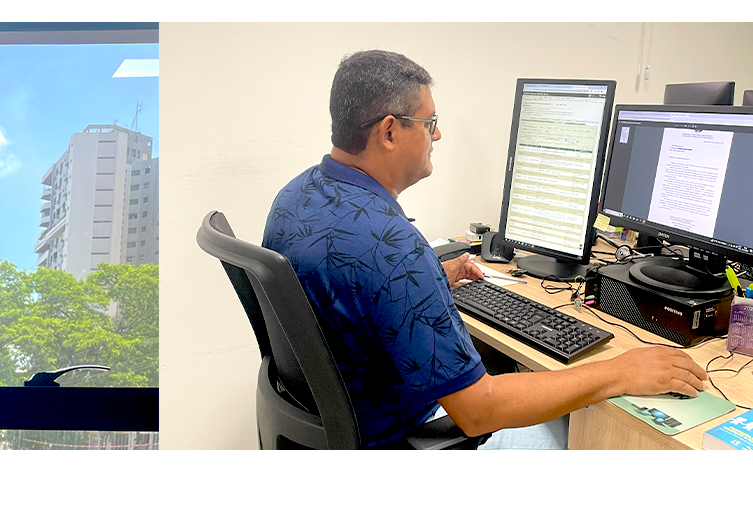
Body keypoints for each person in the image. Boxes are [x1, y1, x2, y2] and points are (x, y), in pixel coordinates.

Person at [262, 50, 710, 449]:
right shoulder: (395, 251)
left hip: (341, 422)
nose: (436, 136)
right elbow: (479, 410)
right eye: (429, 123)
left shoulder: (295, 197)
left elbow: (347, 290)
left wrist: (432, 279)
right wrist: (619, 372)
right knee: (579, 430)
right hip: (398, 437)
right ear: (390, 132)